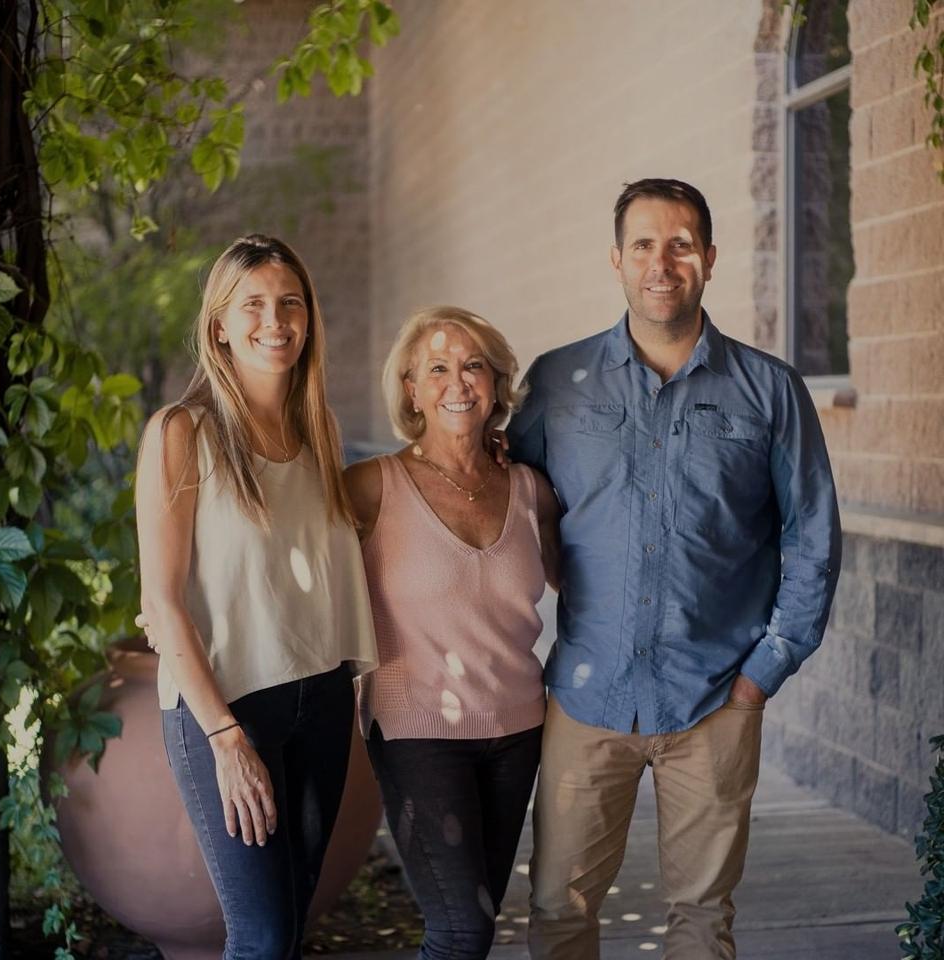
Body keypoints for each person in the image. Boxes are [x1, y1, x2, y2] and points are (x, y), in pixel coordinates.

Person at [507, 179, 842, 960]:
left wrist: (762, 674)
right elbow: (511, 506)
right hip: (589, 697)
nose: (663, 263)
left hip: (717, 697)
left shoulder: (771, 390)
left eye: (682, 244)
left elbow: (813, 538)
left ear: (710, 259)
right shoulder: (558, 383)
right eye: (644, 245)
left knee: (701, 917)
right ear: (616, 260)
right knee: (558, 911)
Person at [135, 234, 377, 960]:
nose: (276, 321)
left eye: (290, 303)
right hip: (228, 710)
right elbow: (163, 599)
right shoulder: (183, 433)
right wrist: (226, 740)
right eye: (254, 306)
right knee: (262, 935)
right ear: (219, 326)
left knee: (292, 923)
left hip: (322, 701)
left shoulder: (319, 432)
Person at [344, 306, 562, 960]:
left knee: (478, 924)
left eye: (474, 366)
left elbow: (581, 583)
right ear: (411, 388)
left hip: (519, 729)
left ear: (497, 385)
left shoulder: (531, 489)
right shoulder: (369, 488)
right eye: (437, 368)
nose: (458, 382)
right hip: (417, 733)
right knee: (461, 931)